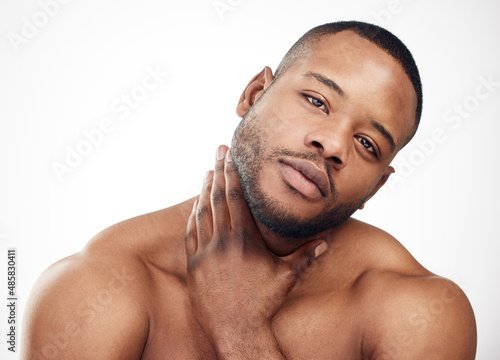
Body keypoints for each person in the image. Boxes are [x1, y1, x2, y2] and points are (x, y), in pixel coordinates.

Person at [21, 21, 477, 359]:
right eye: (316, 101)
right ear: (255, 93)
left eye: (366, 143)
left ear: (377, 186)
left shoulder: (421, 313)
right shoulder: (95, 289)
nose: (334, 144)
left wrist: (241, 330)